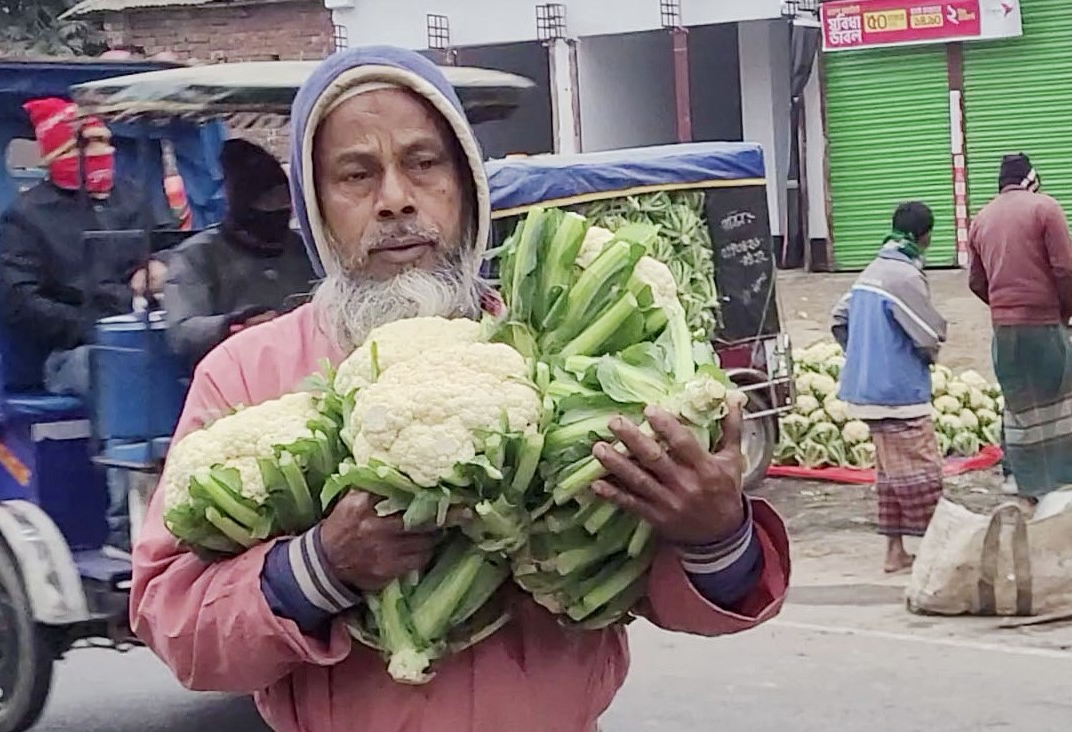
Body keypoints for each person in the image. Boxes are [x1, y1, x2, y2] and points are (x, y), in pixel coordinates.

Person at [130, 46, 790, 732]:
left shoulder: (565, 346)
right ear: (316, 207)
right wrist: (321, 564)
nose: (394, 201)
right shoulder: (247, 373)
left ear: (467, 184)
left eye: (423, 163)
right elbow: (177, 625)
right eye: (356, 174)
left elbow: (669, 586)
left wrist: (715, 535)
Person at [0, 97, 165, 553]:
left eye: (106, 140)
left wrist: (160, 268)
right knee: (113, 365)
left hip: (149, 332)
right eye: (88, 143)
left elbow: (173, 246)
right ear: (57, 151)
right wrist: (93, 328)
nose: (101, 150)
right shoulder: (26, 217)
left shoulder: (131, 196)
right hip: (72, 353)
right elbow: (19, 303)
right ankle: (126, 529)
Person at [967, 152, 1072, 503]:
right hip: (1043, 323)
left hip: (1004, 330)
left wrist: (1003, 305)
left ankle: (1021, 480)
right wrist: (1066, 309)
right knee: (1061, 401)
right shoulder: (1046, 209)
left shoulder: (980, 219)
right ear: (1031, 179)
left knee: (1019, 404)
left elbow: (976, 281)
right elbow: (1066, 269)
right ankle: (1064, 483)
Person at [832, 202, 948, 573]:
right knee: (921, 471)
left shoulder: (872, 269)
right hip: (897, 393)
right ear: (923, 236)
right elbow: (928, 334)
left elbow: (838, 318)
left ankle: (895, 552)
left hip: (865, 392)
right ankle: (938, 549)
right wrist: (919, 357)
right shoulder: (904, 277)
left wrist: (863, 354)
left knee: (889, 473)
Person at [163, 139, 316, 368]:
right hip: (232, 372)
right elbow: (181, 332)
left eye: (284, 201)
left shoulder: (303, 250)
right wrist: (234, 325)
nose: (278, 210)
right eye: (268, 202)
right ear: (246, 205)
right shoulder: (198, 256)